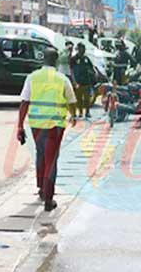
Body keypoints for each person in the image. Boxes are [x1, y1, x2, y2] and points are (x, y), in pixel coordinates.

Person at [16, 48, 77, 212]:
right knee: (51, 159)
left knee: (41, 155)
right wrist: (74, 115)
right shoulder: (62, 79)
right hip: (54, 126)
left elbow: (24, 102)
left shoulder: (32, 77)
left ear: (42, 59)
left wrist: (20, 125)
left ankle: (42, 189)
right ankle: (49, 199)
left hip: (36, 125)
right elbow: (71, 100)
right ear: (56, 61)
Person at [71, 43, 95, 120]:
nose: (83, 50)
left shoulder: (86, 59)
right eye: (81, 48)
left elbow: (92, 68)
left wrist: (92, 72)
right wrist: (74, 81)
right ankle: (80, 112)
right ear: (78, 49)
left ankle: (87, 112)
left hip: (86, 81)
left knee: (87, 98)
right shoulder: (73, 59)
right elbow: (71, 70)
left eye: (84, 49)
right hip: (78, 81)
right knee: (79, 98)